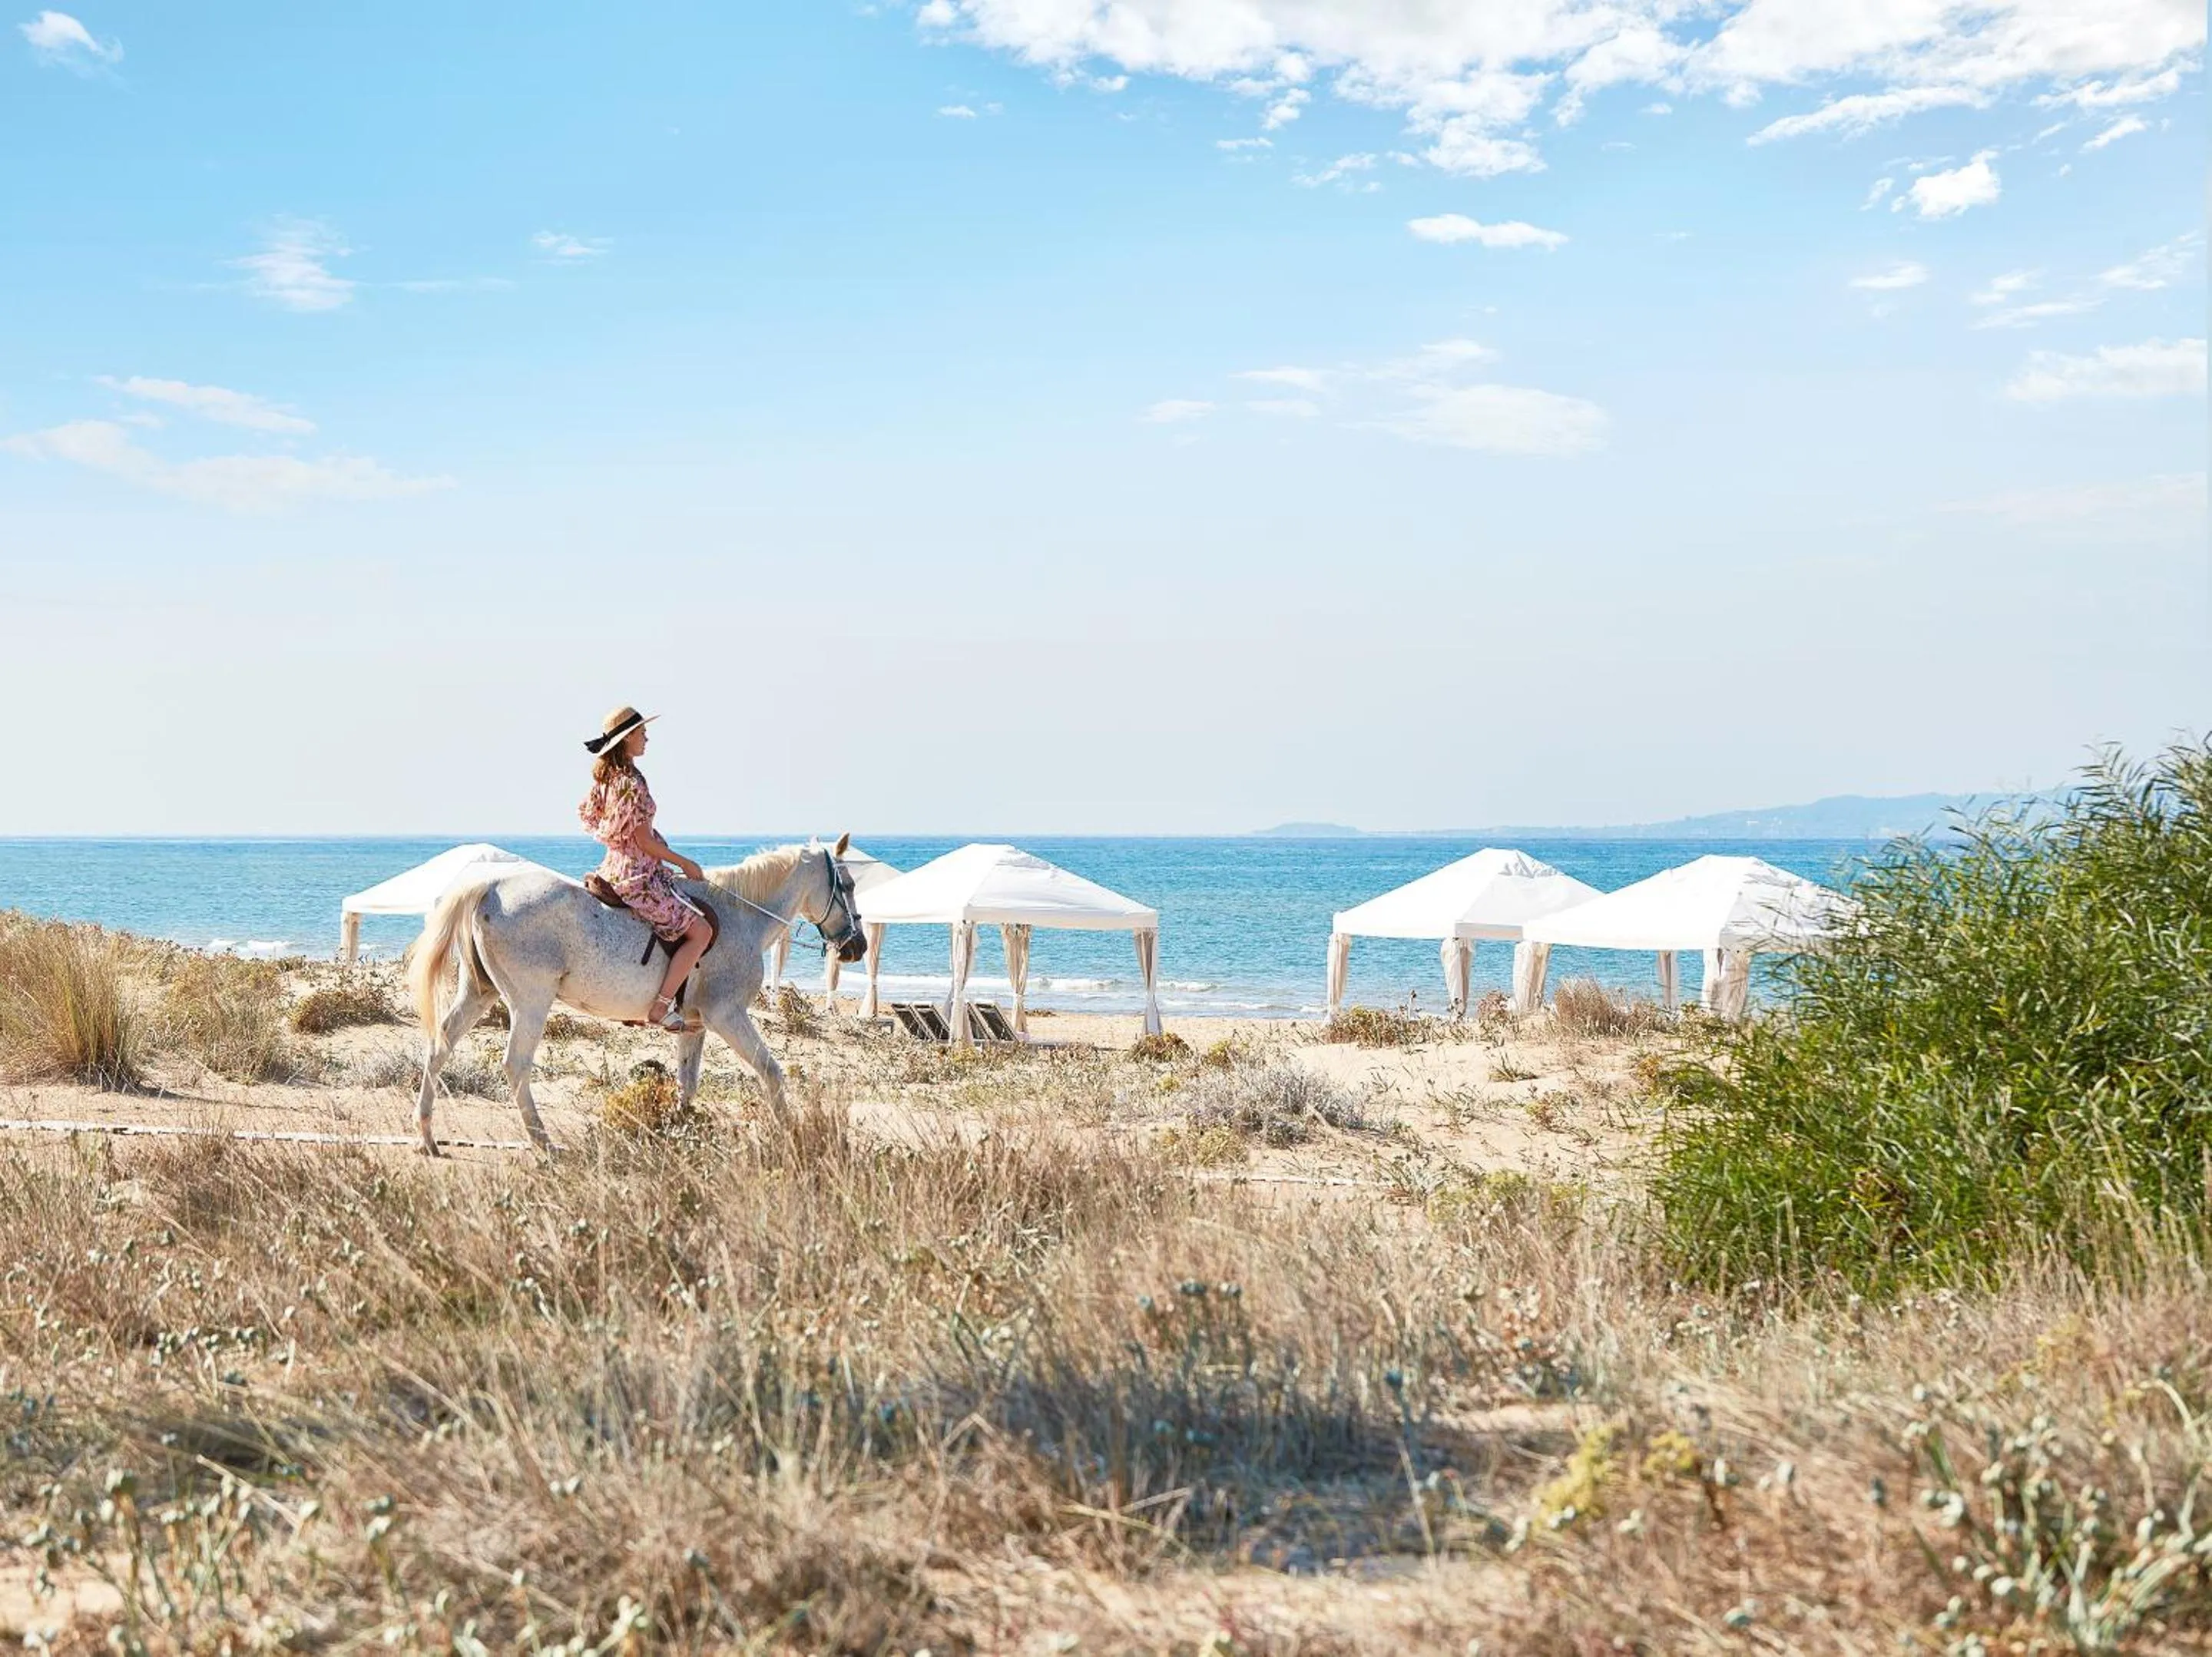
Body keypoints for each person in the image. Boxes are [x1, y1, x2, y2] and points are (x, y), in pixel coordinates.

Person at [578, 706, 713, 1030]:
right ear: (627, 739)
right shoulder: (632, 781)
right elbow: (643, 840)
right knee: (701, 932)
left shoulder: (608, 779)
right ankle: (661, 1007)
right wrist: (684, 862)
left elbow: (595, 820)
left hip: (612, 868)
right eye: (642, 733)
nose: (646, 738)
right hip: (637, 877)